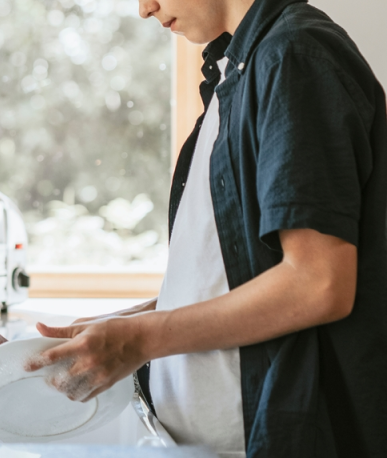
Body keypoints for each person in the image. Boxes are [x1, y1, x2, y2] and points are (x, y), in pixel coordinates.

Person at [25, 0, 387, 456]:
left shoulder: (293, 56)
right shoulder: (240, 71)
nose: (145, 9)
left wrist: (139, 339)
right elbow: (234, 275)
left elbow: (318, 283)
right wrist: (124, 323)